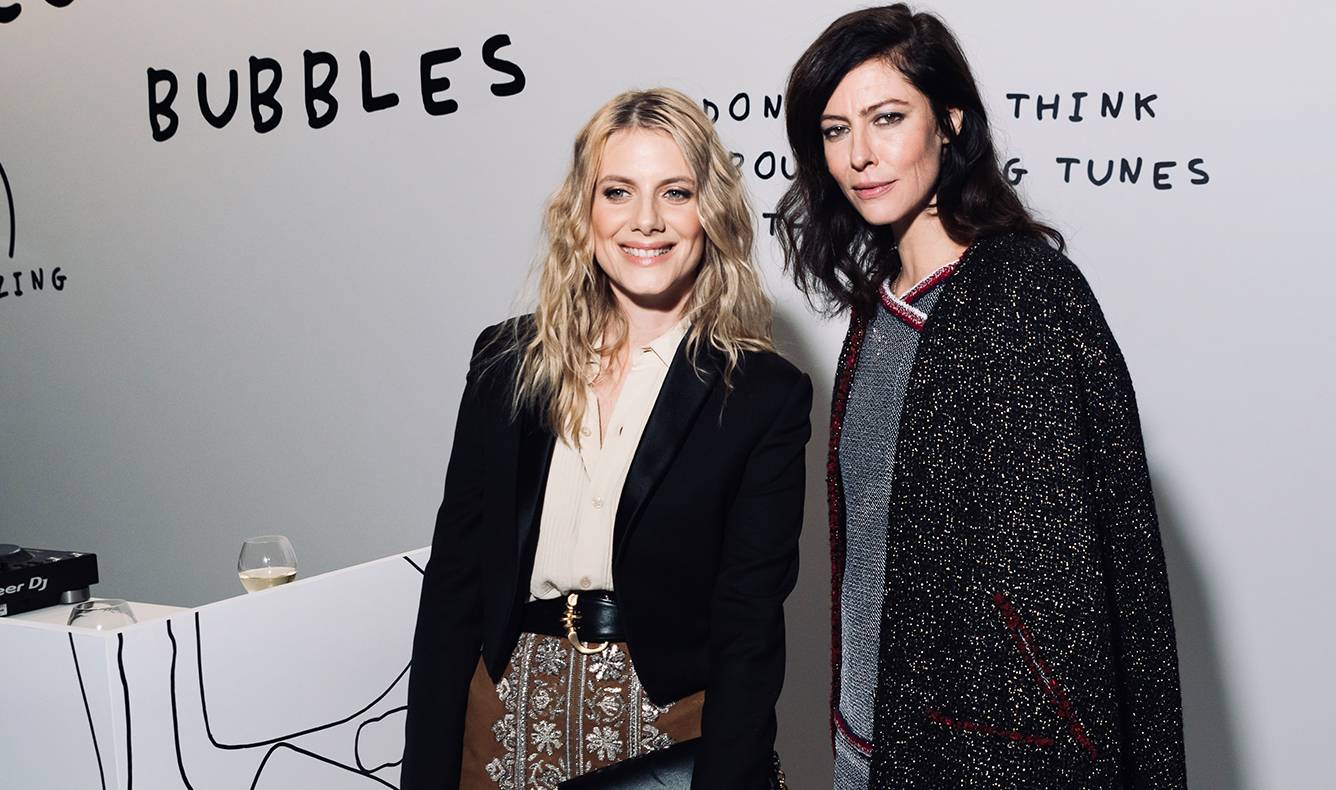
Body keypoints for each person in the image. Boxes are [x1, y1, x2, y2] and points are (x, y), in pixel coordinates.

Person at [774, 5, 1186, 788]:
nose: (859, 154)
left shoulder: (1024, 294)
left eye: (887, 118)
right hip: (867, 741)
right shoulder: (879, 310)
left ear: (950, 122)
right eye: (834, 130)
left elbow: (1073, 584)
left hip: (986, 758)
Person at [403, 87, 809, 790]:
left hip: (663, 733)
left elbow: (749, 627)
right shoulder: (508, 362)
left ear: (710, 211)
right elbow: (452, 589)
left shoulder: (762, 395)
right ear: (583, 211)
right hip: (500, 725)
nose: (645, 220)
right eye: (618, 192)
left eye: (675, 192)